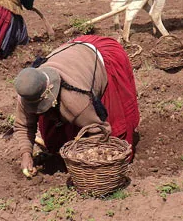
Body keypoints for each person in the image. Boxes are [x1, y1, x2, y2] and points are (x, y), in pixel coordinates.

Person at [13, 34, 140, 176]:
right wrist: (26, 154)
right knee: (56, 141)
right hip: (72, 56)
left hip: (99, 54)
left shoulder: (75, 100)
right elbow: (23, 125)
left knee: (115, 136)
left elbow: (99, 131)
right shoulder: (26, 91)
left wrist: (90, 161)